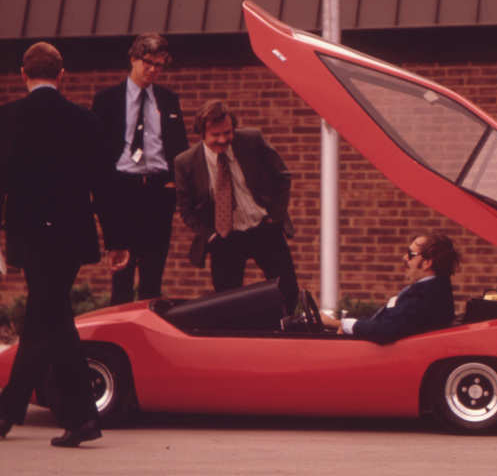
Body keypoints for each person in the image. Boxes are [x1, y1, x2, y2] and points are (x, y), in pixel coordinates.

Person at [0, 42, 129, 446]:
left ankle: (76, 417)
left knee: (48, 314)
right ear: (61, 75)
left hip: (30, 232)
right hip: (72, 234)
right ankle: (14, 411)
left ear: (24, 73)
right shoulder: (85, 121)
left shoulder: (7, 119)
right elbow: (106, 185)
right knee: (49, 315)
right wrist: (117, 238)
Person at [174, 100, 299, 314]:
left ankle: (285, 336)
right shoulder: (186, 162)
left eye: (227, 133)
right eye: (215, 135)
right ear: (201, 133)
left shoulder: (252, 141)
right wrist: (210, 234)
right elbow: (186, 210)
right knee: (227, 302)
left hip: (263, 228)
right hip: (225, 237)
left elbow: (282, 177)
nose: (223, 140)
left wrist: (275, 217)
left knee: (288, 291)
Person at [91, 33, 188, 305]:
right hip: (122, 190)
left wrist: (173, 183)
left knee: (152, 278)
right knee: (121, 275)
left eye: (160, 64)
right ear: (133, 59)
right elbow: (97, 157)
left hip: (157, 192)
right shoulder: (107, 100)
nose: (154, 70)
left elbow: (180, 148)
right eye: (148, 63)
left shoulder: (168, 100)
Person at [320, 234, 459, 344]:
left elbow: (385, 330)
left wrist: (337, 323)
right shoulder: (432, 290)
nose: (404, 257)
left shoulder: (427, 295)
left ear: (427, 263)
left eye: (411, 254)